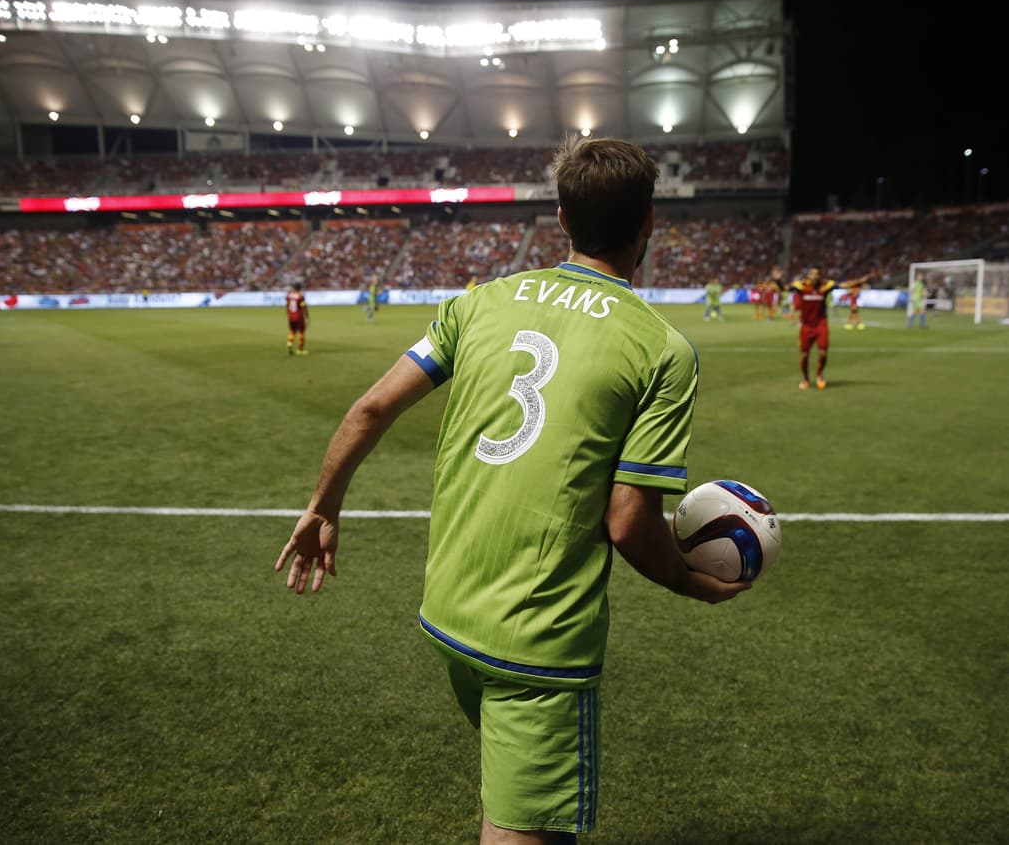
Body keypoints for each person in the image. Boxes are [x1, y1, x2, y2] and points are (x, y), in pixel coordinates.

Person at [275, 135, 748, 844]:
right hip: (537, 642)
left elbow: (370, 408)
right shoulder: (663, 350)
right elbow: (627, 522)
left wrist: (322, 506)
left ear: (561, 218)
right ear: (650, 222)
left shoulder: (480, 303)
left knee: (508, 796)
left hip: (449, 612)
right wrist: (688, 581)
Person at [777, 267, 870, 389]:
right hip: (806, 326)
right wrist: (778, 280)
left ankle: (819, 375)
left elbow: (844, 285)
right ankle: (805, 378)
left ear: (820, 276)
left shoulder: (826, 286)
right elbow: (784, 288)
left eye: (817, 274)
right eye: (812, 274)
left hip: (821, 324)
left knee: (823, 352)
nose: (814, 277)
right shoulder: (801, 286)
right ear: (808, 276)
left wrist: (860, 281)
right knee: (804, 355)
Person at [285, 281, 308, 355]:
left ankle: (289, 343)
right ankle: (300, 350)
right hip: (299, 316)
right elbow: (303, 306)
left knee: (293, 331)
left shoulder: (289, 295)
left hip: (291, 316)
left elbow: (287, 305)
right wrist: (307, 316)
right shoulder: (300, 296)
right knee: (301, 332)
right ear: (300, 288)